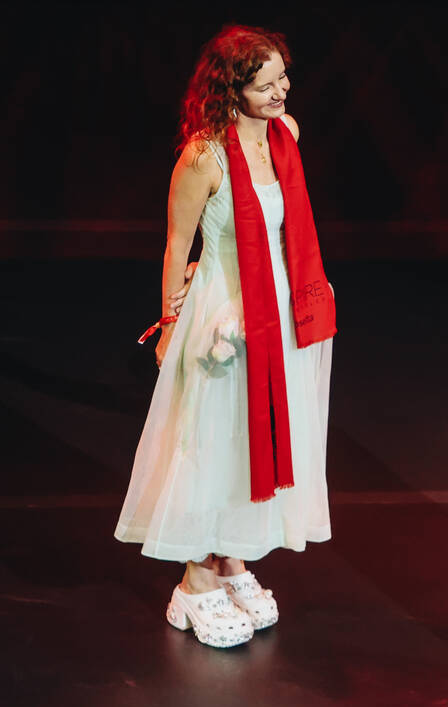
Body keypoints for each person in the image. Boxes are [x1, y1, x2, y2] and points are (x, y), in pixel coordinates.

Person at [114, 25, 337, 648]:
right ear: (230, 88)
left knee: (258, 438)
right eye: (265, 84)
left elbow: (287, 235)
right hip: (225, 319)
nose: (281, 92)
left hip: (279, 314)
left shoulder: (286, 136)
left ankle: (232, 559)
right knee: (213, 441)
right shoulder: (203, 156)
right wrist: (168, 326)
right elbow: (176, 247)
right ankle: (193, 582)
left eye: (283, 78)